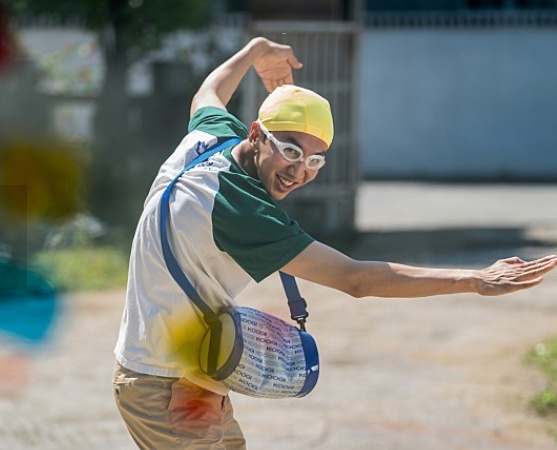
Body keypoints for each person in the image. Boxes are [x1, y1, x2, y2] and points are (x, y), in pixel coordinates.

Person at [112, 36, 557, 449]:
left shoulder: (207, 141)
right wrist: (475, 279)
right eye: (289, 150)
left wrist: (255, 51)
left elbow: (208, 94)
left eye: (314, 159)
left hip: (176, 376)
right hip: (167, 384)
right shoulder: (240, 209)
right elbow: (357, 279)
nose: (299, 170)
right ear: (255, 134)